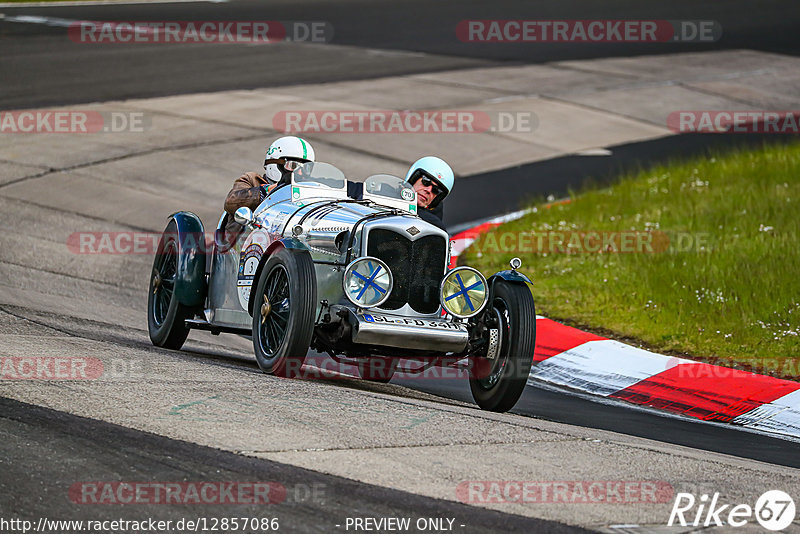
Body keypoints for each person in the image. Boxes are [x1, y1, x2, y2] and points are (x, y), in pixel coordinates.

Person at [223, 136, 315, 236]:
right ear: (274, 162)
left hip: (286, 242)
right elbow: (231, 202)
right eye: (293, 165)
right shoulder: (251, 180)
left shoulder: (306, 191)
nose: (300, 172)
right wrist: (267, 190)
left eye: (306, 168)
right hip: (245, 244)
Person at [347, 156, 454, 231]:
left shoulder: (434, 226)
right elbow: (351, 189)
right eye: (426, 182)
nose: (428, 190)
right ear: (414, 178)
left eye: (436, 190)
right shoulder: (384, 192)